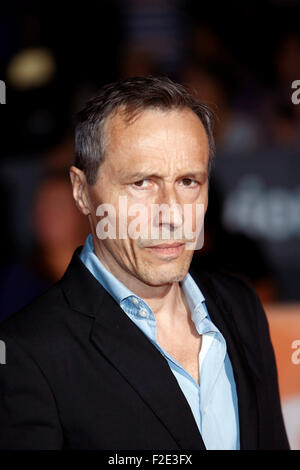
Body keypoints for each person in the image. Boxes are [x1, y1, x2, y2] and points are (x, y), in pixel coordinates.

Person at [0, 76, 289, 450]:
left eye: (188, 181)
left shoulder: (240, 306)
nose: (172, 214)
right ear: (81, 191)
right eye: (141, 183)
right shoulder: (27, 354)